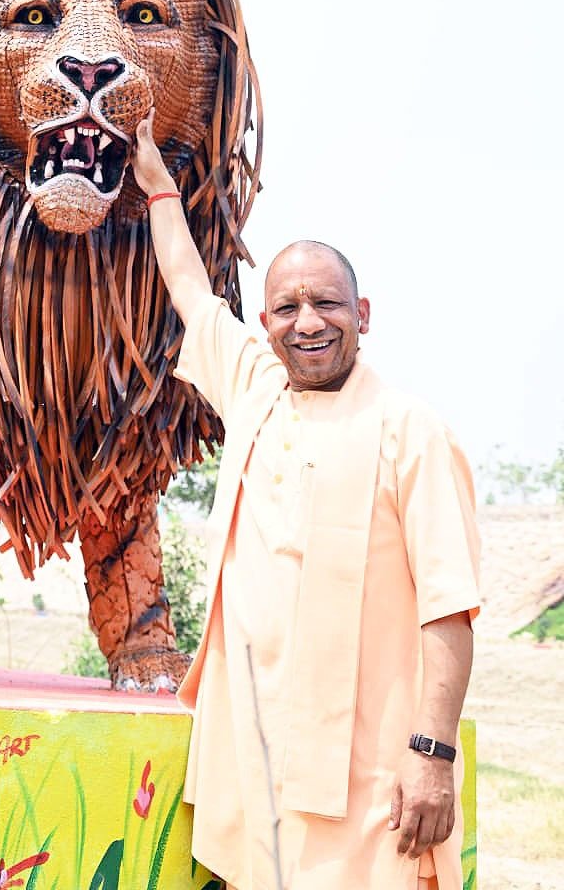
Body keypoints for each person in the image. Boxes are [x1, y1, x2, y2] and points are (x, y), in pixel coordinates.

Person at [131, 112, 481, 890]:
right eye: (286, 308)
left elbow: (450, 612)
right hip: (250, 768)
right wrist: (157, 186)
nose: (307, 321)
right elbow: (190, 288)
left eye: (326, 303)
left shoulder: (411, 431)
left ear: (363, 315)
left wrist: (432, 757)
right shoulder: (254, 389)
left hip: (370, 785)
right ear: (266, 325)